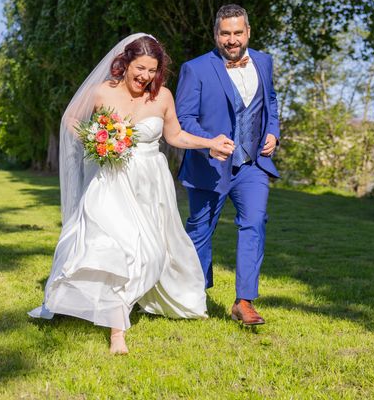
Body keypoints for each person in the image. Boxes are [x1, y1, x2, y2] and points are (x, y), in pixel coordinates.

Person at [28, 33, 235, 354]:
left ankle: (130, 302)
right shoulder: (102, 92)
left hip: (151, 183)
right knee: (115, 247)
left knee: (151, 253)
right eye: (140, 68)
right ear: (125, 63)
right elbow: (71, 118)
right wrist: (94, 139)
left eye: (153, 70)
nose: (145, 77)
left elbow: (176, 135)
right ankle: (117, 330)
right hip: (111, 179)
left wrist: (210, 143)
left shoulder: (162, 97)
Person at [175, 4, 280, 326]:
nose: (232, 40)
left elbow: (271, 102)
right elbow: (184, 118)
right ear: (216, 35)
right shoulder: (196, 69)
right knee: (200, 231)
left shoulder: (264, 61)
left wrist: (273, 132)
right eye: (225, 33)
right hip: (210, 164)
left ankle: (244, 301)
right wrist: (210, 142)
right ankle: (193, 293)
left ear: (248, 32)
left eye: (237, 32)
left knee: (254, 223)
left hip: (253, 165)